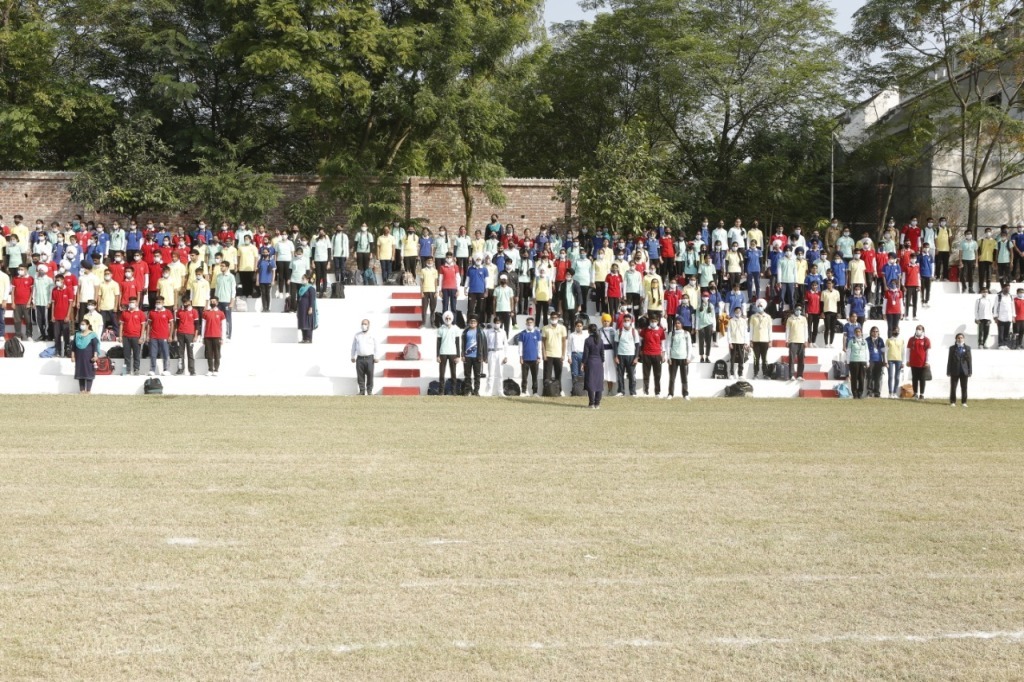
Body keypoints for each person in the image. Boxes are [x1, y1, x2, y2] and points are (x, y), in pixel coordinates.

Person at [511, 317, 542, 396]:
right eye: (528, 323)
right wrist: (521, 357)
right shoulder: (522, 333)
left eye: (531, 322)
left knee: (535, 376)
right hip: (525, 359)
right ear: (526, 324)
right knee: (524, 377)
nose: (529, 324)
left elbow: (539, 346)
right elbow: (520, 346)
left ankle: (535, 392)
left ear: (533, 323)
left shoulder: (537, 333)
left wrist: (539, 357)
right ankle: (523, 391)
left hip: (535, 359)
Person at [351, 318, 380, 396]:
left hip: (369, 358)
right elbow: (353, 346)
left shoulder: (372, 335)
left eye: (365, 324)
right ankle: (362, 391)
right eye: (362, 324)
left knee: (370, 375)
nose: (363, 325)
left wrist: (376, 357)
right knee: (360, 376)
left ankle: (369, 391)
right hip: (359, 359)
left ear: (368, 325)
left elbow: (376, 346)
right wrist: (352, 356)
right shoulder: (357, 335)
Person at [666, 317, 693, 400]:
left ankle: (685, 394)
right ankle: (670, 393)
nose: (677, 325)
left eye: (679, 323)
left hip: (683, 358)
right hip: (673, 358)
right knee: (672, 377)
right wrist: (668, 357)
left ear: (682, 324)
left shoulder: (686, 333)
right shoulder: (672, 334)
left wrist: (688, 357)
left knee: (684, 377)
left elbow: (689, 346)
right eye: (676, 323)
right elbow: (668, 346)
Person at [541, 312, 567, 396]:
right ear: (550, 318)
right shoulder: (545, 328)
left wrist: (563, 354)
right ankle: (545, 391)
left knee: (558, 374)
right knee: (546, 375)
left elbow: (564, 342)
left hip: (558, 354)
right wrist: (544, 354)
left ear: (558, 318)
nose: (553, 319)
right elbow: (543, 342)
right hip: (548, 354)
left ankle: (559, 390)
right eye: (552, 317)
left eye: (555, 317)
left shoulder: (562, 328)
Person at [71, 319, 100, 394]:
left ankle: (88, 390)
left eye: (83, 324)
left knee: (89, 372)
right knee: (80, 372)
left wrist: (95, 355)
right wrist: (73, 356)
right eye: (81, 324)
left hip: (89, 357)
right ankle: (82, 390)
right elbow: (73, 346)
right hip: (79, 357)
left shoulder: (92, 335)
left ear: (88, 325)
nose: (82, 326)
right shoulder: (77, 334)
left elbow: (95, 346)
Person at [147, 296, 174, 376]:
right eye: (157, 302)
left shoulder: (168, 312)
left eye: (160, 302)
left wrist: (170, 336)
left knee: (165, 353)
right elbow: (148, 325)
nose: (158, 304)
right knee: (153, 354)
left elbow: (172, 324)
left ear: (163, 303)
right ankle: (152, 369)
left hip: (164, 336)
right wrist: (148, 336)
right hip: (153, 336)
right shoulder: (151, 312)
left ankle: (166, 369)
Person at [615, 313, 640, 397]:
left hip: (631, 355)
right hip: (621, 355)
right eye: (625, 321)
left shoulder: (634, 331)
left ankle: (632, 392)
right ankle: (621, 391)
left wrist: (636, 357)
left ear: (631, 321)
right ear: (622, 321)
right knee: (620, 374)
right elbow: (615, 344)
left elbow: (637, 345)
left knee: (632, 375)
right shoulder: (619, 331)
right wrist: (616, 356)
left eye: (628, 321)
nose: (626, 322)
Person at [461, 316, 487, 396]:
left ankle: (476, 391)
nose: (472, 323)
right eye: (471, 322)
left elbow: (484, 344)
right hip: (467, 356)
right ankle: (468, 390)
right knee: (467, 375)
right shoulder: (465, 331)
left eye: (474, 322)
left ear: (477, 323)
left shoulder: (480, 332)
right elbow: (463, 344)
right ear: (469, 323)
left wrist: (484, 356)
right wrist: (462, 354)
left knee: (477, 375)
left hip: (477, 356)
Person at [119, 296, 146, 376]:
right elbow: (121, 325)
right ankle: (127, 370)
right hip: (126, 336)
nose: (132, 304)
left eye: (133, 302)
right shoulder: (124, 313)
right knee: (126, 354)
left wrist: (141, 337)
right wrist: (120, 336)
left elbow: (143, 326)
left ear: (137, 303)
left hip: (136, 336)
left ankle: (136, 369)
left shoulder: (140, 313)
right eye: (130, 302)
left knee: (136, 354)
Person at [436, 310, 461, 395]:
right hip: (443, 352)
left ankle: (454, 391)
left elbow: (457, 343)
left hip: (453, 353)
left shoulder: (456, 329)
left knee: (453, 373)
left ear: (452, 318)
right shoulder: (440, 329)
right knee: (442, 373)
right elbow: (438, 343)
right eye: (446, 318)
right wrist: (437, 355)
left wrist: (458, 355)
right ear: (444, 318)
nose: (448, 319)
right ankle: (441, 391)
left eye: (449, 317)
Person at [582, 323, 605, 408]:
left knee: (590, 382)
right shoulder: (601, 340)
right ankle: (597, 403)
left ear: (589, 330)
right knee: (599, 383)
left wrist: (583, 362)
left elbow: (586, 354)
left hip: (590, 362)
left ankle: (591, 403)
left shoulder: (587, 340)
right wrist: (601, 361)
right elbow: (602, 354)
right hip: (598, 362)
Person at [484, 316, 508, 397]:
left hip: (500, 352)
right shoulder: (489, 332)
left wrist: (506, 356)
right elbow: (486, 344)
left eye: (498, 323)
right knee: (490, 372)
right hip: (491, 352)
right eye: (495, 323)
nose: (496, 324)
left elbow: (506, 345)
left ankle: (500, 391)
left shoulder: (503, 332)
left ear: (500, 323)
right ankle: (489, 390)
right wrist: (485, 356)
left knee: (500, 373)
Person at [202, 297, 226, 376]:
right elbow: (203, 326)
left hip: (217, 336)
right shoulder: (206, 313)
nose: (212, 302)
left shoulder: (221, 313)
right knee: (209, 354)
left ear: (217, 303)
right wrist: (203, 337)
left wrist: (223, 338)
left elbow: (224, 327)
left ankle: (216, 369)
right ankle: (210, 369)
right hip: (208, 336)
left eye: (214, 301)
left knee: (217, 354)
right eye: (211, 301)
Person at [174, 298, 199, 376]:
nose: (185, 304)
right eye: (184, 302)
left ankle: (192, 370)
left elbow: (197, 325)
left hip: (190, 334)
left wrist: (195, 336)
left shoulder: (194, 311)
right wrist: (175, 335)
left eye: (187, 302)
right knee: (180, 353)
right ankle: (180, 369)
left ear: (190, 302)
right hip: (180, 334)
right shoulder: (179, 311)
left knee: (190, 353)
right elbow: (176, 324)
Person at [947, 333, 972, 407]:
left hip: (964, 371)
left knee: (964, 387)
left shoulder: (967, 348)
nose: (960, 339)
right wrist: (948, 371)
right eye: (958, 338)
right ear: (956, 339)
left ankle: (964, 402)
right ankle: (952, 401)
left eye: (961, 338)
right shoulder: (952, 348)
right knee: (953, 387)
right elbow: (949, 360)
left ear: (963, 339)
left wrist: (970, 371)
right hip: (955, 370)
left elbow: (969, 360)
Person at [907, 324, 931, 400]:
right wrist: (908, 360)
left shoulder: (926, 339)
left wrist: (927, 361)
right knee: (914, 378)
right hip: (913, 362)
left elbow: (928, 351)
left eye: (920, 329)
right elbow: (908, 350)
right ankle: (915, 393)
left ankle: (922, 394)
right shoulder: (911, 339)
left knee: (922, 378)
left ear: (923, 330)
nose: (918, 330)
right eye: (917, 328)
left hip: (923, 363)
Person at [785, 305, 808, 381]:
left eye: (800, 310)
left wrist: (806, 340)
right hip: (792, 341)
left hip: (801, 341)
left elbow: (806, 330)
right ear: (794, 310)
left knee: (801, 359)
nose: (799, 311)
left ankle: (800, 375)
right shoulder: (790, 319)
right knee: (792, 359)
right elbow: (787, 330)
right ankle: (791, 375)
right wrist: (786, 340)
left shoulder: (804, 319)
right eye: (797, 309)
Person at [726, 306, 749, 378]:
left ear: (741, 312)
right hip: (733, 342)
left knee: (741, 358)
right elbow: (729, 332)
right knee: (732, 358)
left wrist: (746, 342)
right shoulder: (731, 321)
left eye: (739, 311)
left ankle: (740, 373)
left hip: (741, 342)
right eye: (736, 311)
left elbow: (745, 332)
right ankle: (732, 373)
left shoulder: (744, 321)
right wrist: (729, 342)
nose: (738, 313)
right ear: (734, 312)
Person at [296, 271, 318, 343]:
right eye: (302, 279)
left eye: (304, 279)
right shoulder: (301, 288)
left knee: (308, 322)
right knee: (302, 322)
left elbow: (312, 299)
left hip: (308, 308)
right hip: (301, 309)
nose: (303, 280)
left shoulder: (311, 288)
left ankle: (308, 338)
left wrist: (311, 308)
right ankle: (304, 338)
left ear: (308, 280)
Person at [847, 327, 868, 398]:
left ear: (861, 332)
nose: (858, 333)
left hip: (862, 361)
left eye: (859, 331)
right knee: (854, 378)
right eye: (856, 332)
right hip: (854, 361)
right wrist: (848, 361)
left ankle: (860, 393)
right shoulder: (851, 341)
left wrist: (867, 361)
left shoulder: (864, 341)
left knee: (861, 378)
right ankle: (855, 394)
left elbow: (867, 352)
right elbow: (848, 352)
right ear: (854, 333)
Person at [993, 282, 1015, 349]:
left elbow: (1012, 307)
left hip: (1008, 317)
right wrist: (995, 317)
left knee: (1007, 331)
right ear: (1003, 288)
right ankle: (1000, 344)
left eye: (1008, 288)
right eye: (1006, 288)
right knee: (1001, 332)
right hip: (1001, 317)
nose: (1007, 289)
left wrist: (1013, 316)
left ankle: (1005, 344)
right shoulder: (999, 296)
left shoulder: (1010, 296)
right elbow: (995, 307)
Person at [886, 327, 905, 399]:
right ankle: (890, 392)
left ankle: (894, 392)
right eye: (894, 330)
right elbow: (886, 351)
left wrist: (903, 362)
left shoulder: (901, 340)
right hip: (890, 359)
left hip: (899, 360)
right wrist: (885, 361)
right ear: (892, 331)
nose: (896, 332)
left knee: (897, 377)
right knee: (890, 376)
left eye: (897, 330)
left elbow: (903, 352)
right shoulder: (888, 340)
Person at [866, 325, 885, 398]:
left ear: (878, 332)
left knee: (877, 377)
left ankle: (877, 392)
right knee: (870, 376)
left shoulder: (880, 340)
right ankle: (869, 391)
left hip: (879, 361)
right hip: (870, 360)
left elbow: (883, 351)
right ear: (871, 332)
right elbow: (865, 351)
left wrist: (884, 361)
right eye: (873, 331)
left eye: (876, 331)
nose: (875, 333)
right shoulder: (867, 340)